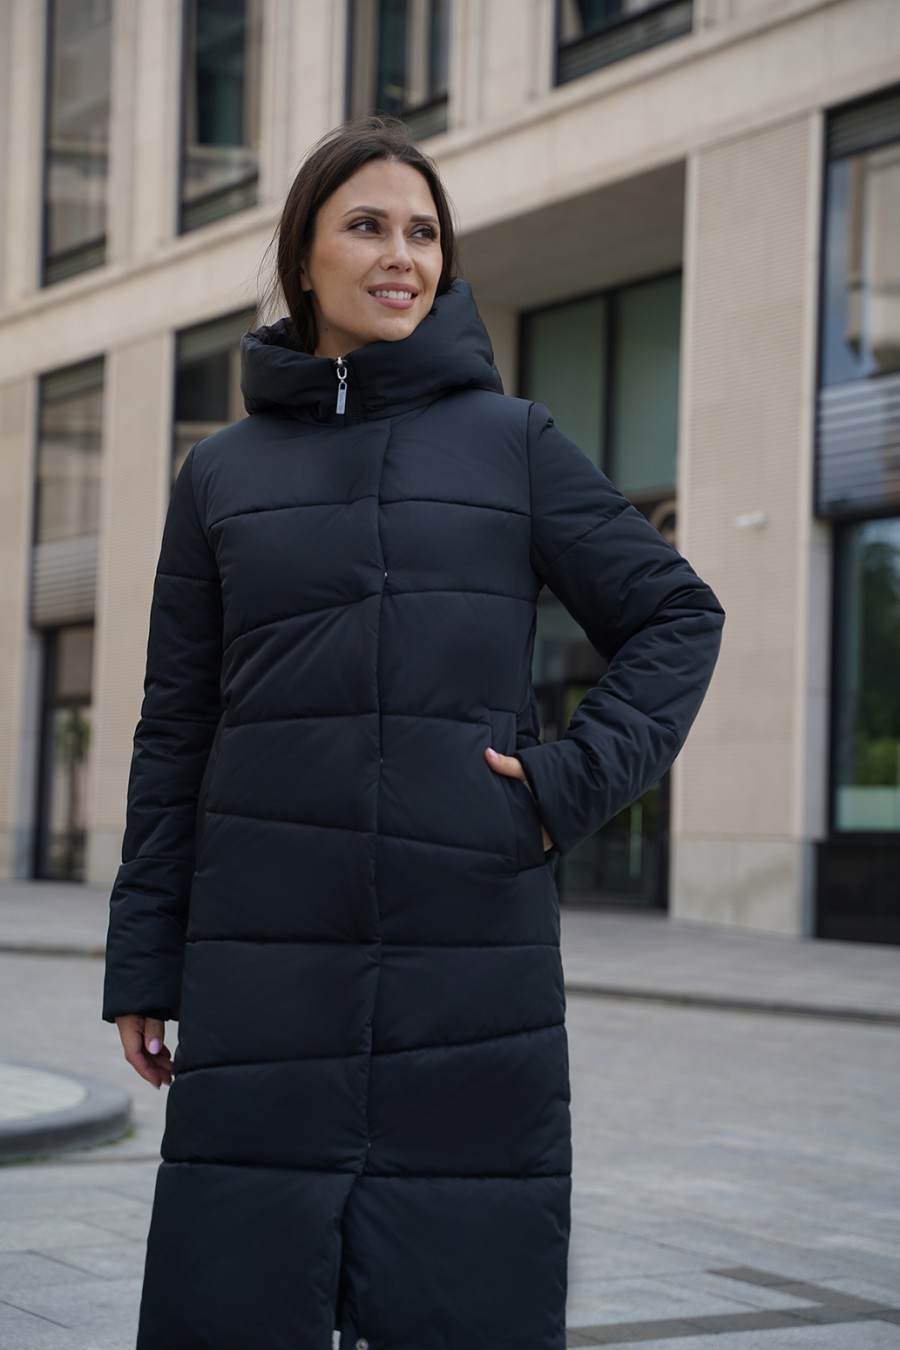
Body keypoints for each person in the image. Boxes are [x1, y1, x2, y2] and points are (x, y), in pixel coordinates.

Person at [103, 114, 724, 1350]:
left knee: (459, 1294)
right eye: (368, 226)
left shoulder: (515, 443)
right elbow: (175, 724)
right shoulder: (219, 473)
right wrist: (145, 958)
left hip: (465, 959)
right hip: (266, 959)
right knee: (239, 1292)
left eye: (425, 233)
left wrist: (560, 787)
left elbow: (676, 616)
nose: (403, 256)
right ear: (305, 256)